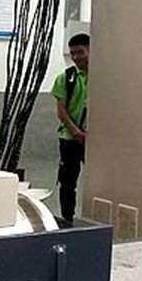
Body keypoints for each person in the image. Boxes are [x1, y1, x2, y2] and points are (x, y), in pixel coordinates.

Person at [51, 33, 90, 222]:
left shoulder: (104, 78)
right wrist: (77, 133)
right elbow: (61, 110)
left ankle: (94, 218)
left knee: (98, 180)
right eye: (72, 53)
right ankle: (68, 219)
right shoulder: (65, 78)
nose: (75, 57)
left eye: (80, 52)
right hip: (70, 138)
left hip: (95, 140)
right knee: (67, 182)